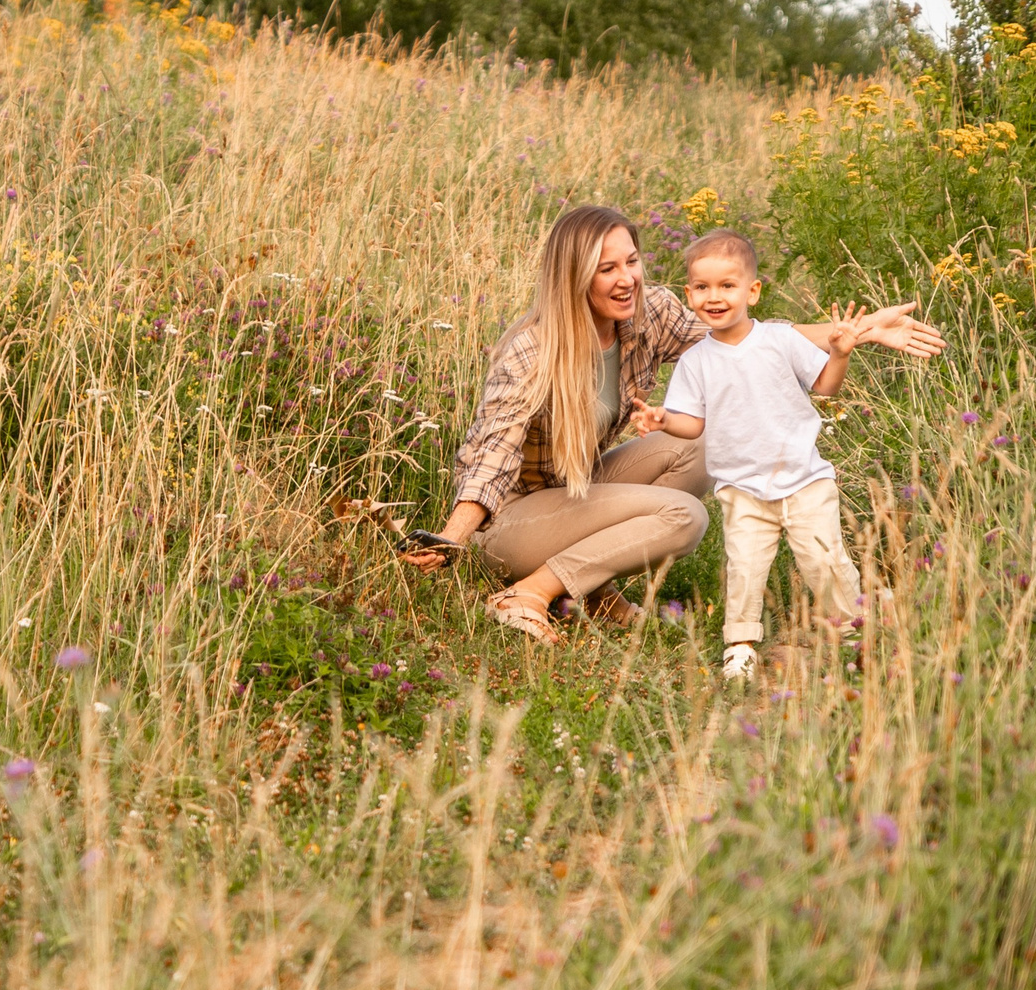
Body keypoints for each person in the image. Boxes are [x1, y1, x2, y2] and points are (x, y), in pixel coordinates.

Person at [398, 205, 940, 643]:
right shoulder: (532, 351)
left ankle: (585, 591)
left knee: (706, 439)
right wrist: (450, 539)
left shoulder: (648, 313)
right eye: (606, 269)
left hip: (577, 493)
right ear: (574, 277)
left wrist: (861, 331)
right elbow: (491, 456)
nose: (626, 279)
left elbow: (746, 339)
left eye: (631, 261)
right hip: (513, 526)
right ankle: (530, 592)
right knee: (682, 518)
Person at [641, 228, 877, 681]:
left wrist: (840, 353)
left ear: (752, 291)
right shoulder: (696, 361)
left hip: (805, 479)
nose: (715, 296)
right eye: (703, 287)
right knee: (745, 567)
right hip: (741, 486)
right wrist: (663, 420)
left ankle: (852, 629)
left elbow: (825, 387)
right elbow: (694, 424)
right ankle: (741, 643)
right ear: (688, 293)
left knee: (823, 558)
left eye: (727, 286)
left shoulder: (779, 340)